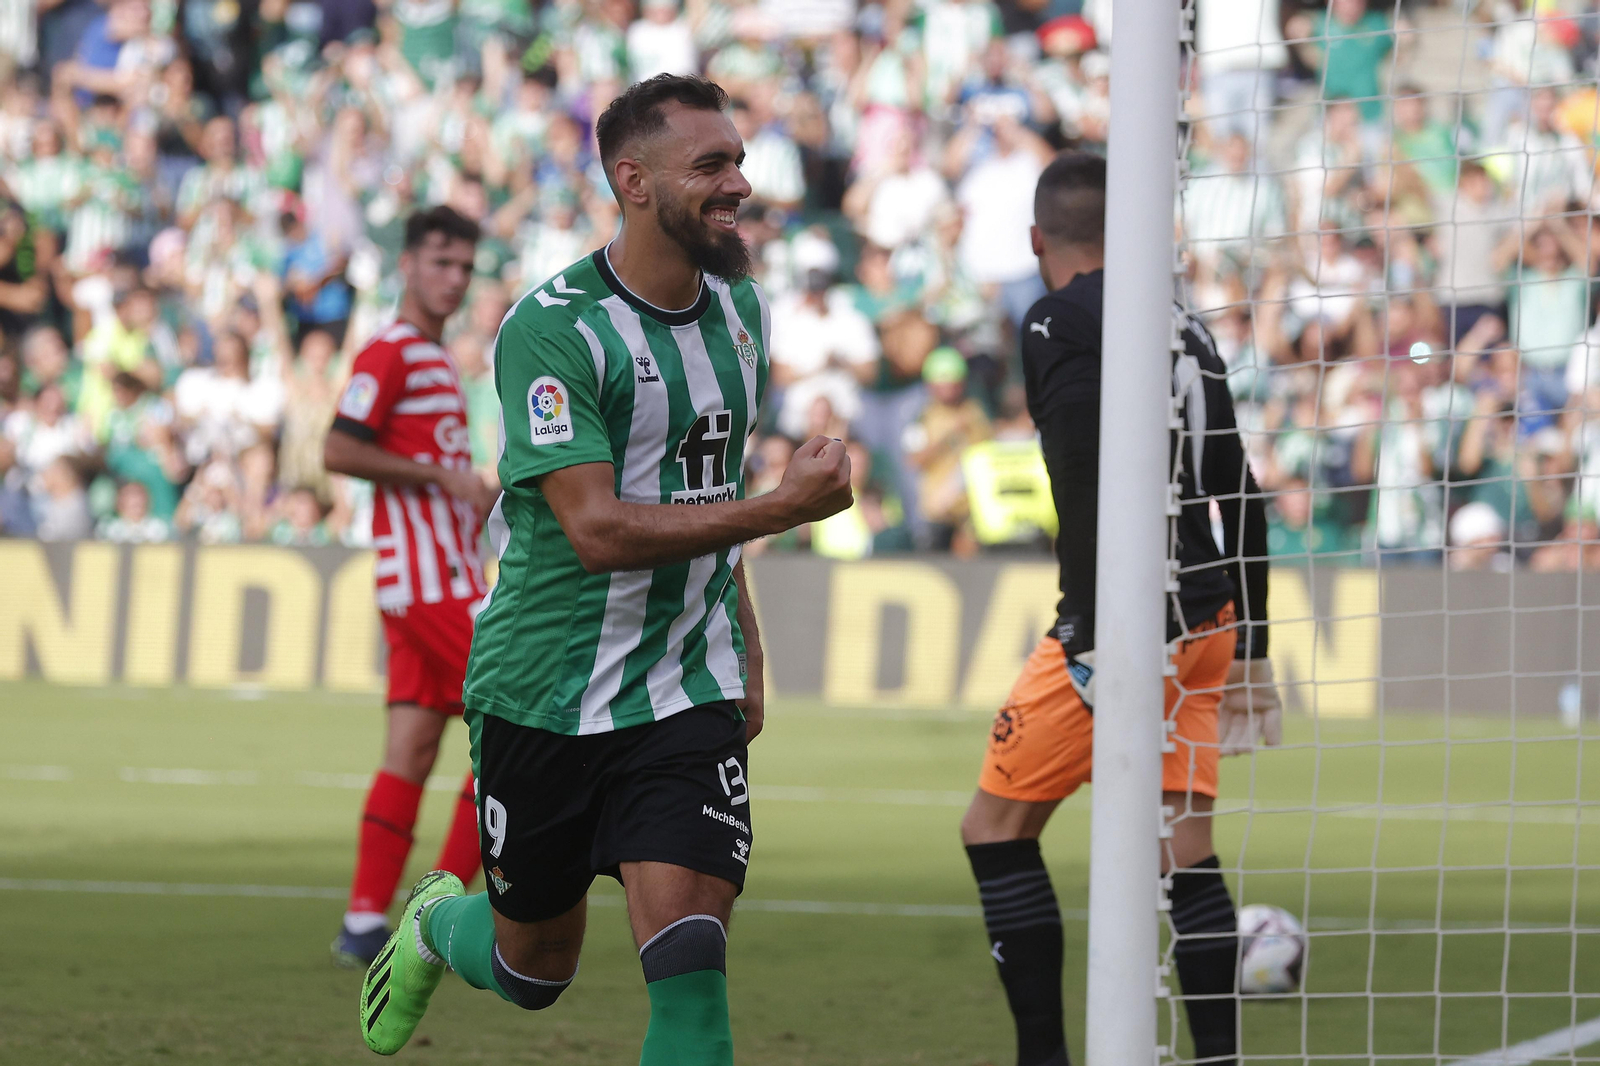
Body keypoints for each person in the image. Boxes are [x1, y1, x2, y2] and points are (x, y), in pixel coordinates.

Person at [357, 74, 853, 1064]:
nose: (737, 184)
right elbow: (594, 529)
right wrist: (784, 509)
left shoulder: (742, 311)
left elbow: (709, 490)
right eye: (710, 165)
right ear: (633, 181)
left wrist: (743, 642)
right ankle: (430, 927)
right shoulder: (553, 329)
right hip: (544, 686)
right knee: (533, 970)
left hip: (684, 685)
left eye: (738, 161)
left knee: (690, 968)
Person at [958, 152, 1280, 1066]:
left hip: (1128, 622)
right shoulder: (1185, 326)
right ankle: (1216, 1057)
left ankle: (1044, 1059)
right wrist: (1254, 647)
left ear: (1037, 240)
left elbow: (1081, 473)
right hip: (1214, 615)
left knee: (995, 827)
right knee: (1183, 842)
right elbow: (1243, 494)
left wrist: (1094, 633)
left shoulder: (1058, 317)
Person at [323, 205, 499, 968]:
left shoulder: (434, 358)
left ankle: (365, 925)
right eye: (441, 263)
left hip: (429, 579)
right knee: (514, 731)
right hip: (431, 585)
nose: (453, 280)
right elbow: (338, 447)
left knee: (413, 746)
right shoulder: (391, 351)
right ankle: (436, 916)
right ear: (407, 265)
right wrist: (438, 476)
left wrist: (474, 494)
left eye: (464, 267)